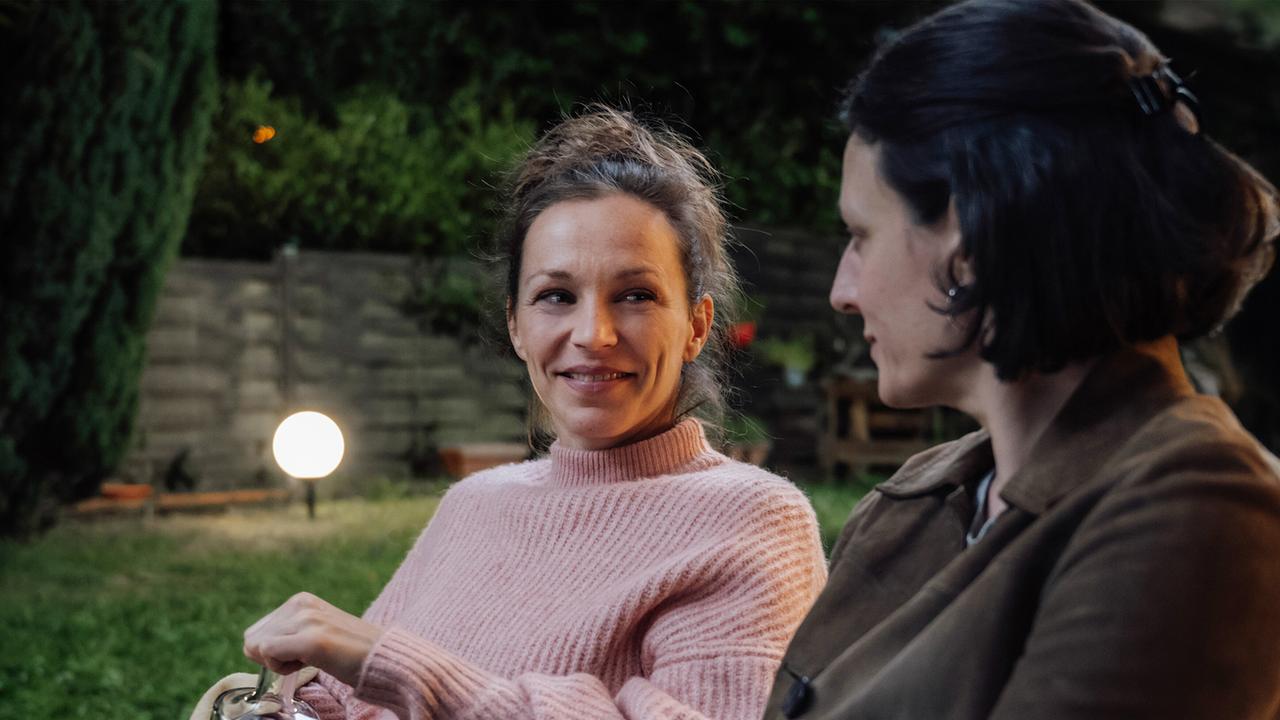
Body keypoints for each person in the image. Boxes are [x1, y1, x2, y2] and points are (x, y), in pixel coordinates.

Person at [203, 108, 827, 720]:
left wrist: (396, 664)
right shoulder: (476, 503)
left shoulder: (750, 523)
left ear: (696, 326)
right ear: (516, 326)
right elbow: (358, 695)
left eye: (635, 295)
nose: (594, 333)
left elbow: (390, 670)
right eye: (556, 296)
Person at [764, 1, 1280, 718]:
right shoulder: (915, 499)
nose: (841, 292)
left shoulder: (1195, 505)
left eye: (861, 235)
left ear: (971, 241)